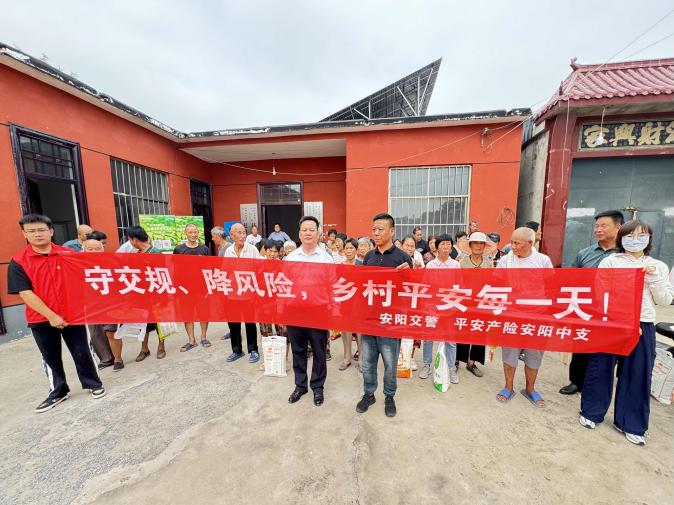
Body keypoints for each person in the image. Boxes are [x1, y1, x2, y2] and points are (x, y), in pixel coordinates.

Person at [579, 219, 674, 446]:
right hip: (613, 322)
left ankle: (631, 423)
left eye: (641, 235)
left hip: (643, 323)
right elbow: (601, 292)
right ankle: (592, 412)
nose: (635, 240)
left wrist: (653, 279)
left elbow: (665, 300)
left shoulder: (657, 266)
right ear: (621, 239)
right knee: (600, 367)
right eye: (630, 236)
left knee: (638, 373)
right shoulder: (611, 262)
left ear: (649, 239)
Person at [8, 214, 105, 412]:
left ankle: (93, 383)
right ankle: (58, 391)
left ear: (51, 231)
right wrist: (51, 316)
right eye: (31, 231)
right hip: (41, 319)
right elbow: (25, 293)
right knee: (50, 356)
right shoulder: (18, 261)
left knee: (82, 351)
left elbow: (87, 277)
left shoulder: (68, 254)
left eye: (41, 230)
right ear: (24, 234)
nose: (37, 234)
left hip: (73, 315)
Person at [559, 210, 623, 395]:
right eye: (596, 226)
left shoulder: (625, 255)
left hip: (613, 310)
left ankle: (597, 384)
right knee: (581, 344)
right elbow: (572, 279)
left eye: (603, 226)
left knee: (606, 349)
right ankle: (576, 381)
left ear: (618, 227)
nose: (598, 230)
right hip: (586, 308)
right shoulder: (585, 254)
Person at [357, 213, 412, 418]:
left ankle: (389, 396)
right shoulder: (369, 257)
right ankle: (369, 393)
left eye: (380, 229)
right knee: (367, 362)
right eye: (374, 229)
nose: (376, 233)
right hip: (370, 320)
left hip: (391, 321)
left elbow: (411, 290)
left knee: (390, 364)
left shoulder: (403, 258)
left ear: (391, 231)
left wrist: (409, 275)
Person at [496, 227, 553, 407]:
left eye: (517, 243)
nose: (512, 246)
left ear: (530, 243)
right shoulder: (505, 261)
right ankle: (508, 386)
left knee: (534, 354)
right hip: (512, 315)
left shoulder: (543, 260)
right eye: (512, 242)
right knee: (509, 353)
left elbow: (551, 285)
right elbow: (497, 285)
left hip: (537, 316)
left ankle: (530, 389)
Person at [284, 216, 334, 407]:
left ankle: (318, 387)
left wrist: (332, 310)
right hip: (295, 311)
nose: (308, 233)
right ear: (299, 234)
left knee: (319, 351)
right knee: (298, 350)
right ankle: (300, 385)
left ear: (318, 233)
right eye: (304, 230)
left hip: (318, 311)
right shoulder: (291, 258)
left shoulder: (326, 258)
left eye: (312, 230)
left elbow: (332, 286)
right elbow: (284, 284)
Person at [104, 226, 165, 370]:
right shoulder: (136, 253)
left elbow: (161, 274)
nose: (129, 242)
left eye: (129, 239)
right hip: (140, 294)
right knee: (143, 321)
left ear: (134, 239)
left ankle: (161, 345)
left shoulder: (156, 253)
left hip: (155, 293)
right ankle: (144, 348)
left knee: (159, 322)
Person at [419, 234, 460, 381]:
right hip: (432, 308)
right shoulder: (431, 265)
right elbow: (425, 286)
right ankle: (427, 365)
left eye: (449, 244)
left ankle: (451, 368)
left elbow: (458, 287)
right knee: (428, 338)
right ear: (436, 248)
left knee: (450, 340)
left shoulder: (455, 265)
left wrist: (454, 306)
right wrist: (427, 306)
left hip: (449, 307)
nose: (446, 247)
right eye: (443, 244)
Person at [224, 223, 262, 364]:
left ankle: (253, 350)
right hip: (232, 293)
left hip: (248, 293)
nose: (242, 236)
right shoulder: (229, 251)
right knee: (233, 323)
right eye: (239, 233)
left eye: (243, 233)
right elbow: (225, 271)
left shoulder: (252, 250)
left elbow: (259, 269)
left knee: (250, 322)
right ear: (232, 235)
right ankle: (237, 350)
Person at [456, 232, 492, 377]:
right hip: (465, 302)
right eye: (475, 243)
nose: (478, 246)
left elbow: (491, 283)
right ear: (470, 245)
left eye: (481, 243)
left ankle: (472, 362)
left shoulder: (488, 263)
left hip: (482, 303)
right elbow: (457, 282)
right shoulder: (462, 262)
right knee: (462, 330)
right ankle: (457, 359)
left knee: (479, 331)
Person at [173, 224, 212, 351]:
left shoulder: (204, 249)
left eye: (195, 232)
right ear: (185, 233)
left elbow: (209, 269)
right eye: (190, 232)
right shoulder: (179, 249)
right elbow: (176, 270)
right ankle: (191, 340)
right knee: (187, 315)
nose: (193, 234)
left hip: (202, 288)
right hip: (185, 289)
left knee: (203, 313)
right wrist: (177, 287)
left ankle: (203, 337)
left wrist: (209, 287)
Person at [81, 237, 115, 370]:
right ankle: (106, 359)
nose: (94, 251)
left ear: (103, 249)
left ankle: (117, 356)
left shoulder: (111, 262)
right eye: (90, 249)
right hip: (90, 304)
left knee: (111, 331)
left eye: (97, 248)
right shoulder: (77, 264)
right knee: (96, 333)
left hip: (109, 302)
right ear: (83, 250)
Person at [258, 240, 290, 372]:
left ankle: (284, 359)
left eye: (275, 251)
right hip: (263, 305)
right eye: (269, 250)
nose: (272, 253)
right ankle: (269, 359)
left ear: (279, 252)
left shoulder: (283, 266)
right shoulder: (259, 266)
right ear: (264, 251)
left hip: (280, 305)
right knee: (266, 333)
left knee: (283, 332)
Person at [338, 238, 362, 371]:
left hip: (359, 303)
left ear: (356, 250)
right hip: (345, 302)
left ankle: (362, 358)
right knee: (345, 331)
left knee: (360, 332)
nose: (348, 251)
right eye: (346, 248)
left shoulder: (362, 265)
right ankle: (347, 357)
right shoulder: (340, 266)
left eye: (351, 248)